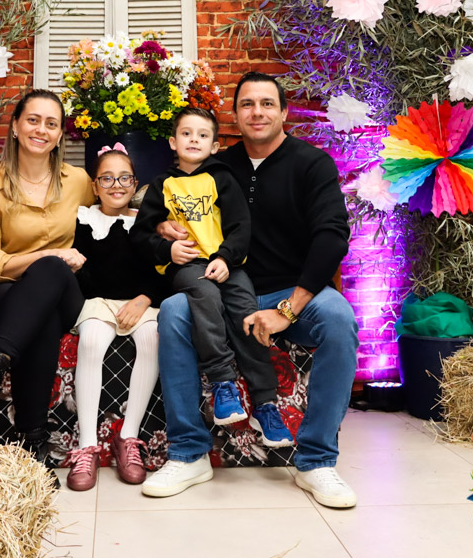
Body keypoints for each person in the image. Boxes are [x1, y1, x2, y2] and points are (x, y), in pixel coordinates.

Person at [140, 74, 359, 508]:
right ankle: (188, 453)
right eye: (247, 104)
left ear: (284, 112)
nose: (257, 112)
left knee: (339, 319)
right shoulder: (214, 166)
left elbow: (333, 237)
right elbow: (169, 206)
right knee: (174, 312)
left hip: (291, 291)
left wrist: (288, 309)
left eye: (267, 103)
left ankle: (315, 460)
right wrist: (164, 226)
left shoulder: (312, 164)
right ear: (235, 115)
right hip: (221, 289)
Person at [132, 108, 294, 473]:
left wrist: (225, 257)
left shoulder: (222, 178)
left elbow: (241, 227)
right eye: (186, 133)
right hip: (187, 267)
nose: (194, 140)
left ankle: (265, 404)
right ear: (173, 142)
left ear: (215, 146)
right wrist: (168, 249)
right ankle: (223, 383)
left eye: (202, 135)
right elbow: (140, 235)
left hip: (227, 264)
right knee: (204, 296)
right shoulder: (161, 185)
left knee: (247, 313)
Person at [0, 89, 95, 488]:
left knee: (51, 274)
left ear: (60, 134)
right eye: (33, 120)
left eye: (51, 123)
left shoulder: (78, 182)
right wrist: (48, 254)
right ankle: (33, 445)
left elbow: (111, 215)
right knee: (42, 312)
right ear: (16, 127)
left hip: (62, 291)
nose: (41, 129)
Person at [65, 144, 164, 491]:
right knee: (92, 341)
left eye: (124, 178)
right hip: (99, 302)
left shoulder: (146, 222)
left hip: (140, 302)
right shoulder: (83, 220)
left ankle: (128, 437)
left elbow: (160, 270)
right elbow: (87, 278)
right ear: (95, 186)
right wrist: (76, 267)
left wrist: (144, 299)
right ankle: (87, 445)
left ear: (134, 183)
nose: (116, 185)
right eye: (106, 178)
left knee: (152, 339)